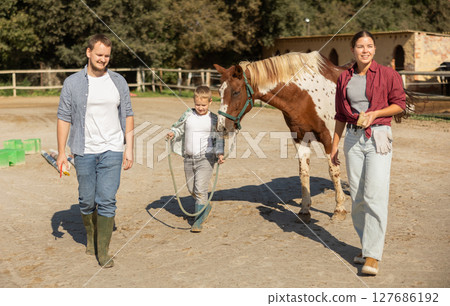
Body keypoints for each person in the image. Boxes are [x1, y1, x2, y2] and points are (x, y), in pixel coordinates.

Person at [330, 31, 406, 276]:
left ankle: (373, 255)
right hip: (353, 138)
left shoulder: (388, 74)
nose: (365, 50)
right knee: (358, 198)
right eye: (360, 46)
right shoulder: (344, 78)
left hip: (379, 136)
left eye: (369, 46)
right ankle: (366, 246)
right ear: (352, 50)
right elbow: (340, 116)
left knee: (375, 195)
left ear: (374, 49)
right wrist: (334, 146)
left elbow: (399, 105)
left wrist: (376, 114)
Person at [56, 34, 134, 268]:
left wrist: (129, 148)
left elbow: (128, 114)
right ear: (88, 52)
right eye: (99, 54)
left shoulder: (118, 81)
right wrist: (62, 152)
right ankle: (91, 236)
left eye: (107, 56)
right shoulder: (72, 83)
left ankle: (103, 251)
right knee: (87, 200)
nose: (103, 59)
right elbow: (63, 117)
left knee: (107, 199)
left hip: (112, 148)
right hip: (84, 150)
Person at [167, 86, 224, 232]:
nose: (200, 108)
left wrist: (220, 153)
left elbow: (218, 137)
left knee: (200, 189)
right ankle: (205, 206)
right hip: (188, 158)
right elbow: (178, 127)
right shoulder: (188, 114)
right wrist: (173, 133)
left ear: (210, 102)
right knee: (191, 188)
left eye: (203, 105)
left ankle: (197, 221)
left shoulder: (213, 119)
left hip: (205, 158)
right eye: (197, 105)